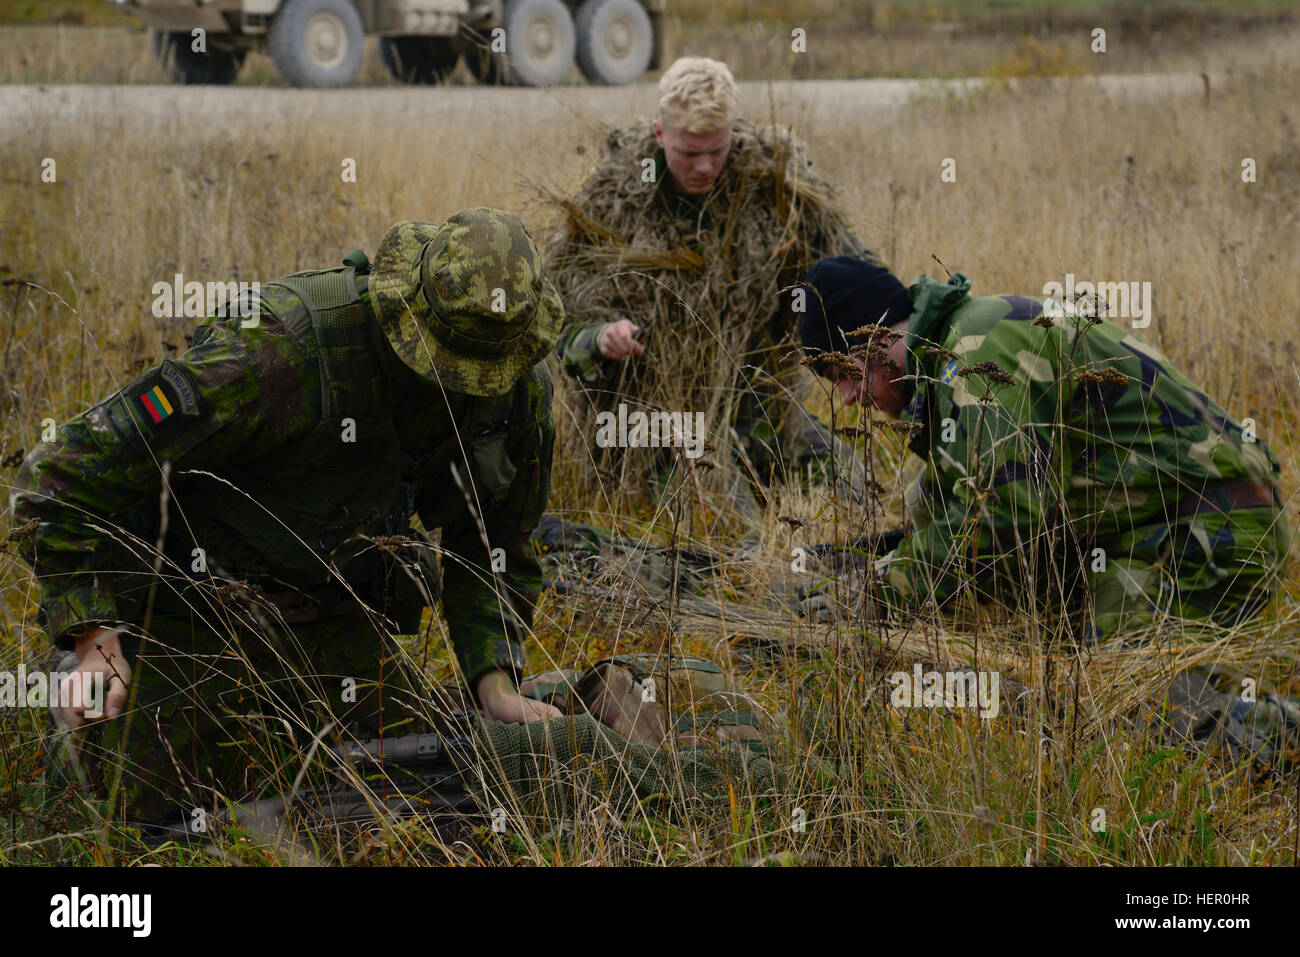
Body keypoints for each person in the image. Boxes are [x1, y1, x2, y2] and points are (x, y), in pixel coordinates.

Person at [12, 207, 566, 822]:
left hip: (330, 615)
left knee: (420, 787)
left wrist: (495, 682)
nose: (466, 384)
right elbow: (62, 472)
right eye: (445, 361)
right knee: (136, 819)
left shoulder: (514, 384)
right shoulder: (281, 350)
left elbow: (496, 544)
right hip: (183, 607)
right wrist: (92, 637)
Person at [798, 256, 1298, 768]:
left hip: (1208, 534)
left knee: (1130, 715)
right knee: (1066, 696)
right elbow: (955, 512)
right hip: (1136, 534)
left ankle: (1280, 733)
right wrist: (868, 562)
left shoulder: (978, 345)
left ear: (879, 337)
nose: (849, 396)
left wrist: (875, 595)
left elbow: (1002, 520)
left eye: (845, 372)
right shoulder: (947, 364)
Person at [545, 56, 883, 519]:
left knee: (858, 490)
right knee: (731, 524)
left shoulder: (772, 186)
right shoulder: (613, 202)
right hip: (656, 424)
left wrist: (899, 321)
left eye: (716, 150)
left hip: (758, 409)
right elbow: (556, 318)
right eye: (688, 153)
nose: (704, 167)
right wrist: (600, 338)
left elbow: (851, 269)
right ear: (660, 134)